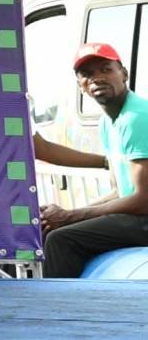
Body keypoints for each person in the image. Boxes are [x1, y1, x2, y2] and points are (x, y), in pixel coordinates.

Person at [32, 42, 148, 276]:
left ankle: (61, 311)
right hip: (137, 216)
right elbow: (120, 191)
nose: (97, 78)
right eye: (87, 74)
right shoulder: (108, 121)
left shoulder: (136, 117)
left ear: (123, 74)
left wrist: (70, 217)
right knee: (48, 230)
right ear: (80, 85)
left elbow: (143, 201)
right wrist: (65, 213)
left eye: (106, 69)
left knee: (60, 240)